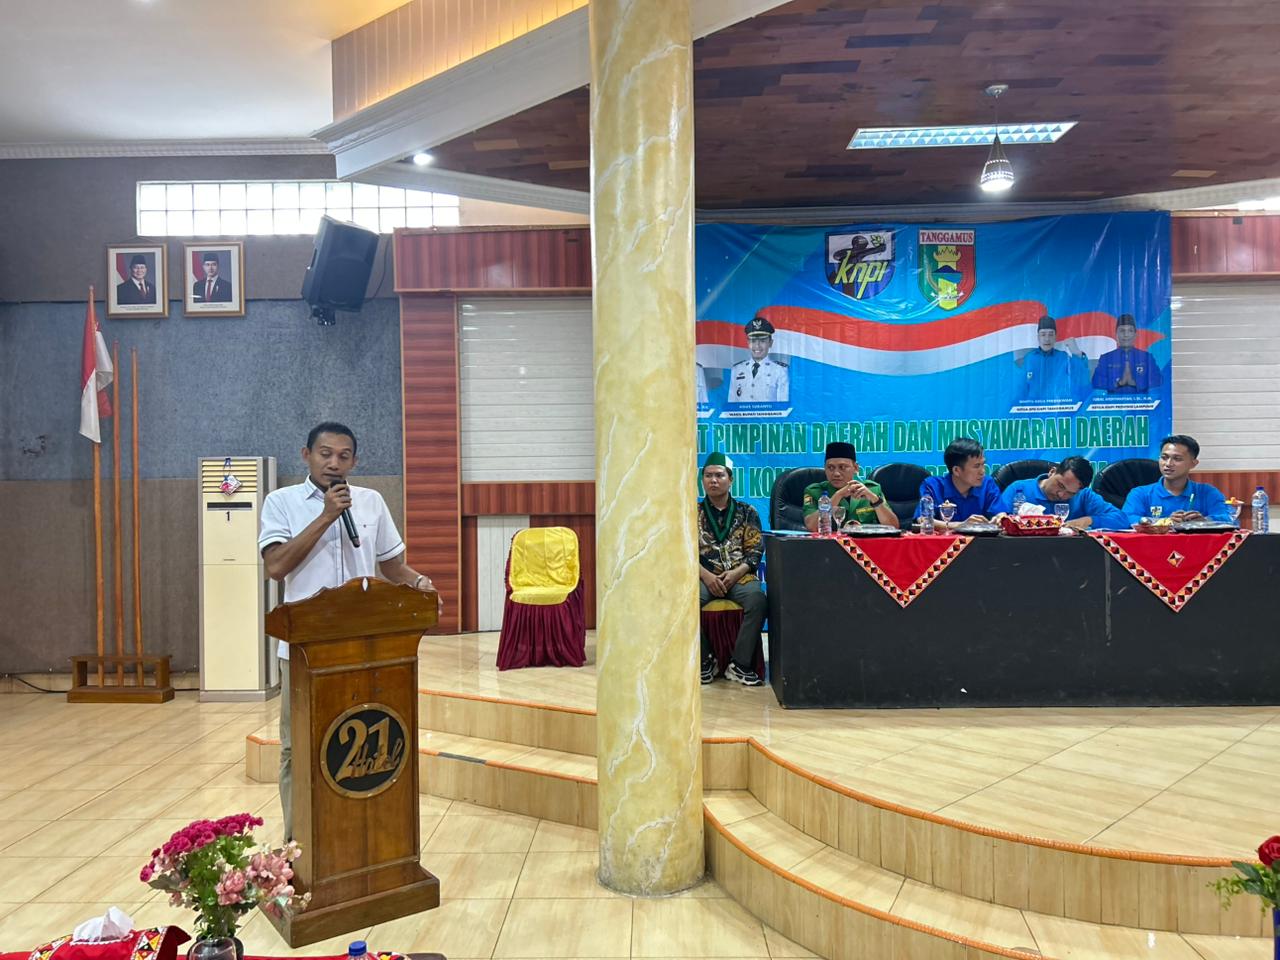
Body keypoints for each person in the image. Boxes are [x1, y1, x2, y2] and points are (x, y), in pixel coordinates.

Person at [258, 422, 442, 838]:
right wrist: (327, 515)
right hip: (305, 651)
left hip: (365, 647)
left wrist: (418, 583)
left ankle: (359, 837)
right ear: (306, 455)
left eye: (343, 456)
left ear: (354, 461)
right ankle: (298, 842)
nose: (333, 463)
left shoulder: (371, 502)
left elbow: (392, 565)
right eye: (325, 454)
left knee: (363, 744)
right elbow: (276, 566)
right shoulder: (281, 502)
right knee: (297, 747)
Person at [696, 453, 766, 687]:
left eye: (719, 475)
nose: (713, 480)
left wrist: (736, 573)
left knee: (757, 600)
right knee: (684, 601)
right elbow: (683, 551)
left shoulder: (747, 512)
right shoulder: (691, 512)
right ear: (702, 480)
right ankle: (705, 660)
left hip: (739, 576)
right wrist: (706, 575)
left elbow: (755, 550)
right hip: (704, 577)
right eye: (708, 476)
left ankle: (739, 664)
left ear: (731, 479)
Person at [1121, 434, 1233, 525]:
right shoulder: (1140, 493)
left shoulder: (1207, 492)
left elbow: (1229, 519)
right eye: (1164, 458)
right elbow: (1126, 520)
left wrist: (1204, 522)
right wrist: (1164, 522)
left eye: (1177, 459)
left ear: (1193, 463)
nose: (1168, 464)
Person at [995, 456, 1128, 530]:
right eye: (1060, 485)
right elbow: (998, 521)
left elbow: (1121, 520)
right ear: (1052, 472)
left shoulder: (1084, 496)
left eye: (1070, 493)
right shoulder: (1019, 489)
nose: (1061, 495)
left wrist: (1088, 520)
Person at [802, 441, 898, 531]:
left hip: (865, 542)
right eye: (830, 468)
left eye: (842, 467)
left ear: (856, 468)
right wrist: (838, 495)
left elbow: (893, 527)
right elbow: (812, 527)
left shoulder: (872, 490)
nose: (836, 473)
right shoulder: (814, 491)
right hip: (832, 543)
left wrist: (875, 500)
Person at [916, 437, 1003, 526]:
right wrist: (961, 525)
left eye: (983, 464)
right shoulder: (933, 486)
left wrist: (1000, 518)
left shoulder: (987, 483)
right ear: (956, 470)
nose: (982, 471)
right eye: (977, 466)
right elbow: (923, 520)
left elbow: (1001, 514)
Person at [1015, 315, 1089, 403]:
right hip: (1034, 409)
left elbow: (1081, 380)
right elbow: (1021, 390)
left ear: (1055, 337)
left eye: (1051, 334)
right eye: (1043, 334)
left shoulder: (1063, 357)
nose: (1047, 339)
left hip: (1058, 408)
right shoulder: (1029, 358)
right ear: (1038, 337)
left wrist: (1077, 353)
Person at [1092, 313, 1163, 394]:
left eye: (1130, 331)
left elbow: (1158, 379)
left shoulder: (1146, 357)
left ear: (1135, 335)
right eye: (1122, 331)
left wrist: (1134, 382)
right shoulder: (1106, 358)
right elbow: (1096, 382)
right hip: (1114, 401)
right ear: (1116, 334)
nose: (1126, 335)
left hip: (1141, 401)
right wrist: (1119, 383)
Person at [727, 316, 789, 403]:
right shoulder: (737, 369)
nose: (757, 346)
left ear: (770, 343)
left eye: (762, 341)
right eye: (753, 341)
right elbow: (732, 405)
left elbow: (783, 406)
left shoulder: (780, 370)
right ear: (748, 343)